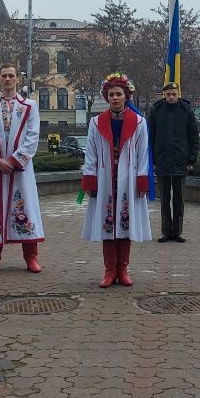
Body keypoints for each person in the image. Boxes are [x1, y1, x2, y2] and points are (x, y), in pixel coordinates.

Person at [81, 73, 152, 287]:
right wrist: (90, 179)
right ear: (106, 96)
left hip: (127, 180)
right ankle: (109, 270)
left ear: (126, 96)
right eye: (111, 94)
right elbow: (91, 153)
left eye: (118, 94)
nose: (114, 98)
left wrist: (142, 181)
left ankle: (123, 270)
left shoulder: (139, 122)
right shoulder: (96, 122)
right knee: (107, 225)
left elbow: (143, 153)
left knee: (125, 223)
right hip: (105, 178)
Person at [0, 64, 44, 273]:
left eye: (11, 76)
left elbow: (33, 136)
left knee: (26, 207)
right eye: (4, 75)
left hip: (20, 169)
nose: (7, 79)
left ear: (17, 79)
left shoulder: (30, 106)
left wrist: (14, 161)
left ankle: (30, 258)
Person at [148, 82, 199, 242]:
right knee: (164, 199)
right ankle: (165, 232)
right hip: (162, 161)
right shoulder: (156, 111)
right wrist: (152, 161)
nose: (171, 97)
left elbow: (193, 137)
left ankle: (177, 232)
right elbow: (150, 137)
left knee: (179, 199)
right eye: (168, 94)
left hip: (180, 161)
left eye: (174, 94)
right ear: (164, 95)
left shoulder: (186, 111)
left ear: (178, 94)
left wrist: (191, 159)